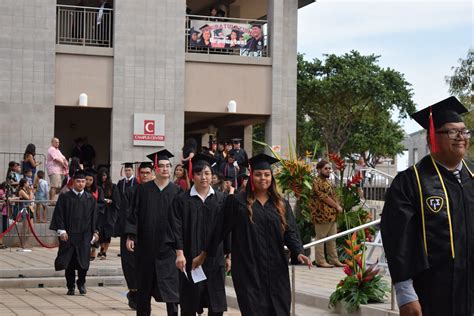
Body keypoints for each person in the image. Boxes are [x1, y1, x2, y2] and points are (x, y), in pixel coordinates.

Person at [380, 96, 473, 316]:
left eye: (464, 131)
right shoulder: (411, 181)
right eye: (452, 131)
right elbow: (398, 238)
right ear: (433, 137)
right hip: (432, 292)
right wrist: (405, 293)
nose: (461, 137)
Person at [194, 153, 312, 315]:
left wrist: (299, 252)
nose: (262, 178)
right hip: (248, 269)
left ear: (272, 177)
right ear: (251, 177)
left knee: (279, 309)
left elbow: (290, 232)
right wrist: (204, 254)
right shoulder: (237, 202)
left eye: (266, 174)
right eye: (258, 174)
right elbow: (219, 230)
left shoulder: (281, 204)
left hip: (276, 269)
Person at [171, 153, 230, 316]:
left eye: (207, 173)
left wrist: (228, 255)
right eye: (199, 173)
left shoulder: (222, 199)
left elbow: (226, 230)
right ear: (192, 175)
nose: (203, 177)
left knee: (216, 305)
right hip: (190, 259)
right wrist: (180, 253)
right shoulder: (182, 200)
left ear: (213, 176)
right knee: (189, 304)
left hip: (215, 260)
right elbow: (176, 228)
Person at [126, 150, 182, 316]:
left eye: (168, 166)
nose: (165, 169)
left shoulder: (177, 192)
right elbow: (133, 214)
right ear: (155, 169)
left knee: (171, 290)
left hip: (169, 248)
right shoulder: (142, 190)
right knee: (144, 289)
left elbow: (180, 221)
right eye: (161, 166)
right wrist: (131, 235)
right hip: (146, 246)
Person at [50, 170, 98, 296]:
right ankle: (70, 286)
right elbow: (59, 215)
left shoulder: (90, 199)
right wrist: (61, 230)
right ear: (73, 182)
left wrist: (95, 232)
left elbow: (95, 217)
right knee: (69, 263)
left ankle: (81, 283)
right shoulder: (65, 197)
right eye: (78, 181)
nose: (81, 184)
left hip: (84, 235)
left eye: (83, 181)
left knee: (84, 263)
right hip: (69, 235)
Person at [309, 160, 345, 268]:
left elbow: (334, 195)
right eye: (326, 168)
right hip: (321, 215)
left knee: (332, 239)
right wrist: (336, 206)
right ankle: (320, 261)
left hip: (332, 215)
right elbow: (324, 197)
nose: (328, 170)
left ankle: (334, 260)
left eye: (329, 168)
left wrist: (338, 204)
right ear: (319, 170)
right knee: (321, 238)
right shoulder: (316, 182)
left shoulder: (329, 182)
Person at [114, 162, 139, 309]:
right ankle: (133, 292)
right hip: (129, 231)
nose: (128, 172)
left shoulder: (143, 188)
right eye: (127, 170)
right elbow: (122, 208)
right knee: (129, 264)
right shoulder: (122, 185)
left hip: (145, 235)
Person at [96, 168, 120, 260]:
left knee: (108, 233)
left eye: (105, 175)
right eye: (102, 175)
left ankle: (104, 252)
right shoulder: (97, 186)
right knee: (101, 233)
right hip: (101, 212)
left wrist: (110, 200)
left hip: (110, 212)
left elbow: (117, 200)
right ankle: (101, 250)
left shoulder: (112, 186)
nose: (103, 177)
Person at [83, 168, 105, 261]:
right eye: (86, 179)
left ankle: (93, 250)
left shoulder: (98, 189)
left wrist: (93, 206)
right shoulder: (81, 189)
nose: (88, 182)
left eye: (90, 180)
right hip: (84, 216)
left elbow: (101, 203)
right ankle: (85, 251)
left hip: (95, 216)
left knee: (95, 231)